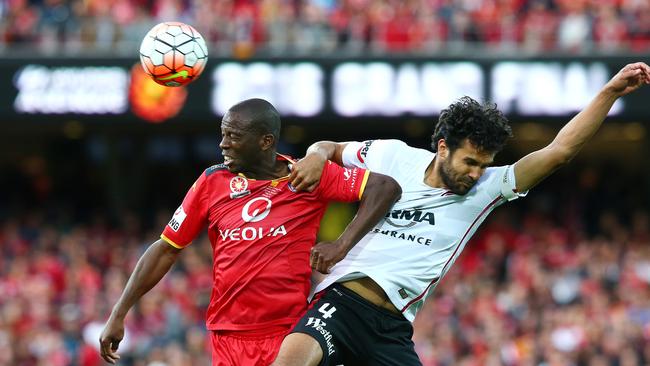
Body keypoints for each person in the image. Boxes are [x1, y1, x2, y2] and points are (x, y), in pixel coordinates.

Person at [271, 62, 650, 365]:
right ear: (442, 147)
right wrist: (317, 156)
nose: (475, 173)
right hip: (340, 303)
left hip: (391, 330)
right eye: (469, 161)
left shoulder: (486, 189)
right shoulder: (394, 156)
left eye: (483, 164)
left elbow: (559, 151)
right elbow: (329, 146)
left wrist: (609, 92)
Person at [98, 98, 402, 365]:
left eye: (233, 136)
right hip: (228, 337)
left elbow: (385, 187)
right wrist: (119, 312)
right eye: (223, 135)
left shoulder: (306, 176)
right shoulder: (211, 182)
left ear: (265, 141)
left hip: (291, 334)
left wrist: (341, 245)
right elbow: (166, 248)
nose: (223, 144)